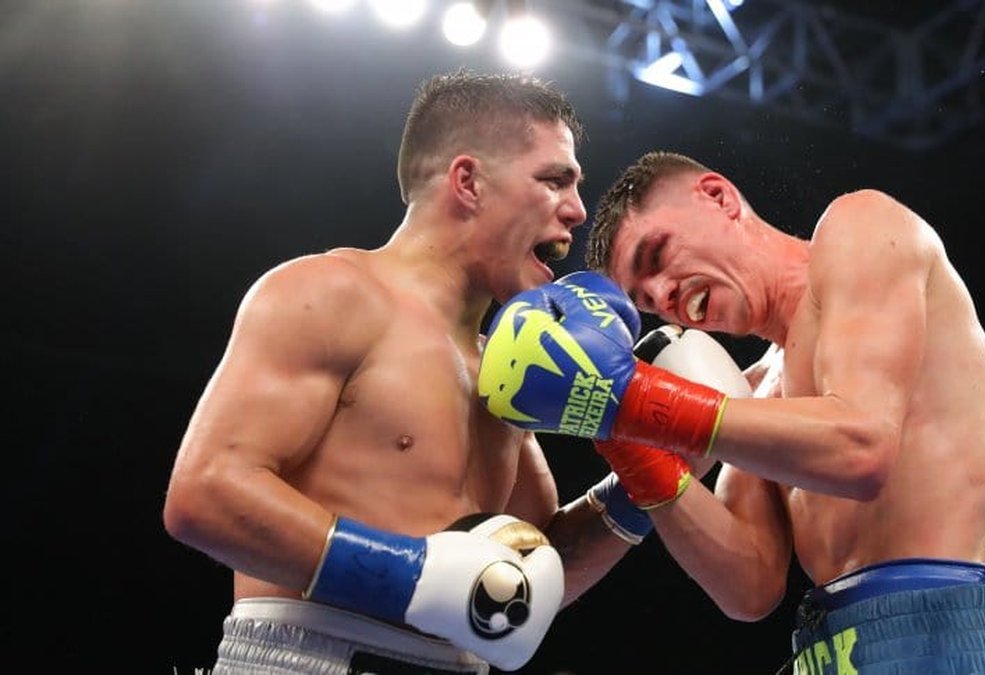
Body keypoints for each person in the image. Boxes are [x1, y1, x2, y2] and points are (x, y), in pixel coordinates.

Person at [162, 69, 651, 675]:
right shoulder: (330, 293)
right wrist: (410, 573)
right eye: (554, 180)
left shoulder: (501, 365)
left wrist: (652, 475)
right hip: (308, 657)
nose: (577, 210)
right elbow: (204, 493)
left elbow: (519, 588)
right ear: (468, 181)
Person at [479, 150, 985, 673]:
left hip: (935, 632)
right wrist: (619, 435)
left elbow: (861, 450)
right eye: (645, 300)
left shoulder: (861, 228)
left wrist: (632, 398)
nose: (664, 294)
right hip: (824, 647)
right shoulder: (753, 391)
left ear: (718, 197)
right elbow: (750, 586)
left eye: (658, 255)